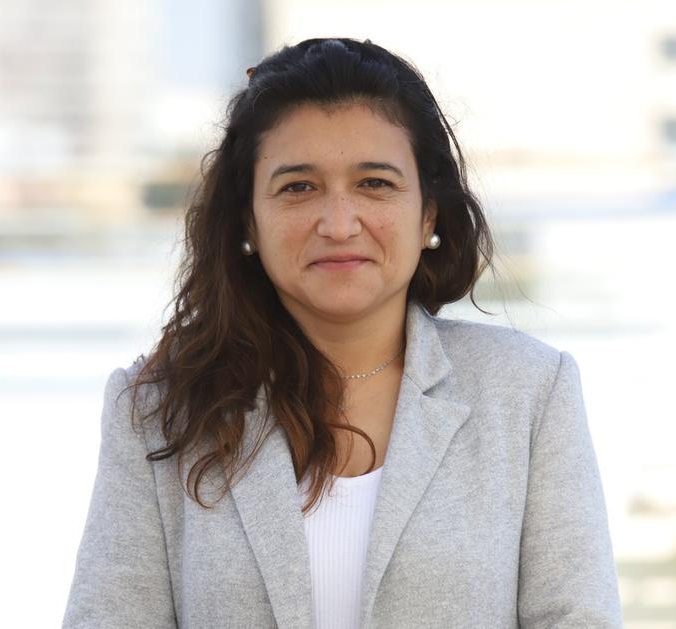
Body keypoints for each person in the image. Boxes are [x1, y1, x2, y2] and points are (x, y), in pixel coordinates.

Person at [62, 37, 623, 628]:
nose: (338, 224)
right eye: (298, 187)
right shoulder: (156, 409)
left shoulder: (529, 391)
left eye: (374, 183)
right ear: (249, 219)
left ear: (428, 214)